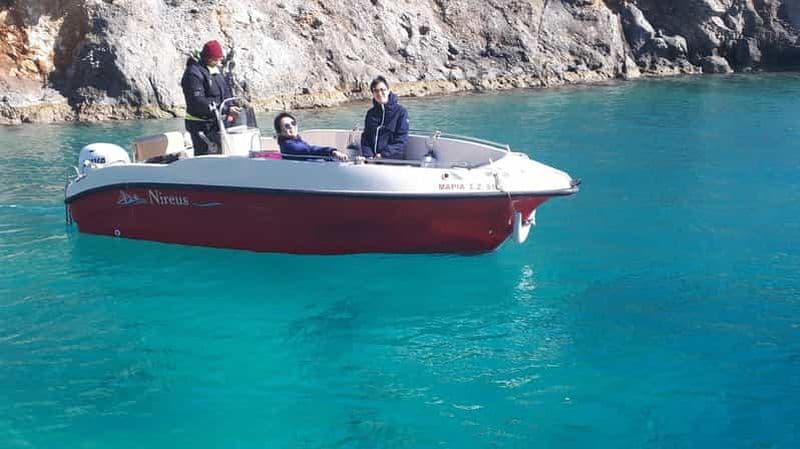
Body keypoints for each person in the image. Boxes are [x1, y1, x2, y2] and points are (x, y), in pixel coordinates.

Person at [180, 40, 240, 156]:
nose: (218, 62)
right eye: (215, 59)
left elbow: (225, 92)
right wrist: (224, 109)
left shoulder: (216, 71)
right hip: (200, 125)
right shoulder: (193, 73)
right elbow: (197, 101)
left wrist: (231, 106)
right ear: (207, 58)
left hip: (217, 124)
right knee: (207, 157)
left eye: (219, 59)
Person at [359, 76, 409, 159]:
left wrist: (383, 155)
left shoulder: (400, 112)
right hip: (372, 160)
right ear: (373, 94)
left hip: (392, 160)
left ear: (388, 91)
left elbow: (401, 140)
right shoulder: (371, 113)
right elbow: (366, 137)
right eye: (376, 91)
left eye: (382, 90)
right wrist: (369, 156)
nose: (379, 93)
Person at [274, 112, 349, 161]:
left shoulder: (296, 141)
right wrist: (332, 152)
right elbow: (309, 150)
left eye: (293, 123)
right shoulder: (289, 145)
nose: (291, 127)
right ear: (280, 131)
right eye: (287, 126)